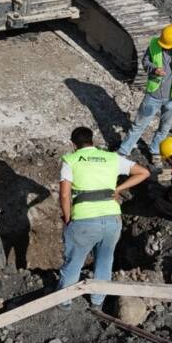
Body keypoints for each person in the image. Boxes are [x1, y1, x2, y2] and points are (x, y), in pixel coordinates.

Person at [57, 126, 150, 309]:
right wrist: (118, 189)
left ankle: (65, 303)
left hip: (84, 220)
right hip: (112, 220)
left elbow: (65, 195)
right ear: (93, 141)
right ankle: (97, 302)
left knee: (74, 262)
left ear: (72, 144)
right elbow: (144, 172)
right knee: (105, 261)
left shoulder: (71, 160)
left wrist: (68, 218)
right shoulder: (111, 158)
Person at [118, 23, 172, 159]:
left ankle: (155, 151)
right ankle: (123, 151)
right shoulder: (155, 43)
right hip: (154, 95)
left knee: (164, 128)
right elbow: (145, 61)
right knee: (139, 124)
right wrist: (154, 69)